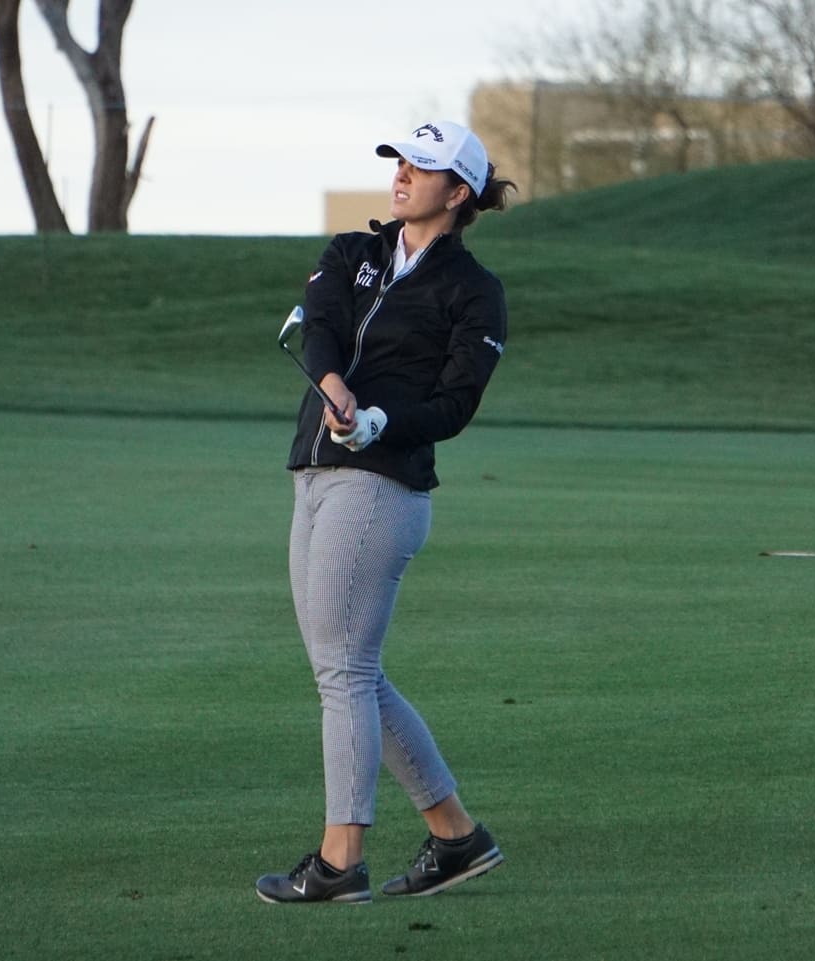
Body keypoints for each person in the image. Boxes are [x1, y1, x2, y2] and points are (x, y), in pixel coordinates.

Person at [255, 121, 516, 905]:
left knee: (344, 672)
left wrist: (377, 420)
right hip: (316, 473)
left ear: (458, 191)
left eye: (422, 166)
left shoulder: (474, 292)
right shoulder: (352, 253)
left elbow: (454, 402)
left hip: (383, 483)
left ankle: (340, 862)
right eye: (400, 161)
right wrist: (333, 383)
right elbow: (324, 320)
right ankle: (455, 835)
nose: (402, 174)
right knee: (349, 672)